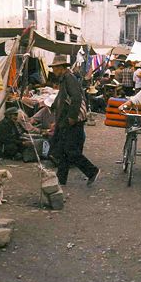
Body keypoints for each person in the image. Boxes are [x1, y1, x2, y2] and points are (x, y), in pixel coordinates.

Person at [49, 55, 100, 187]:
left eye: (55, 68)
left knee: (70, 150)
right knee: (63, 150)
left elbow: (76, 98)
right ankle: (61, 179)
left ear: (61, 68)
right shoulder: (64, 79)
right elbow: (62, 97)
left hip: (72, 121)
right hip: (65, 120)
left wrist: (72, 117)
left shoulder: (68, 78)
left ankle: (92, 171)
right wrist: (54, 106)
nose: (53, 71)